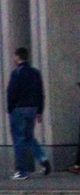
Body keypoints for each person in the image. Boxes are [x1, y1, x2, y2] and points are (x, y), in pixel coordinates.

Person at [6, 48, 47, 180]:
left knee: (18, 139)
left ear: (18, 57)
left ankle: (21, 171)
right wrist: (40, 111)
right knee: (28, 136)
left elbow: (11, 92)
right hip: (33, 108)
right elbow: (40, 92)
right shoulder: (35, 73)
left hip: (19, 108)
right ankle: (42, 158)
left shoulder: (16, 73)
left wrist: (10, 108)